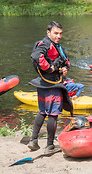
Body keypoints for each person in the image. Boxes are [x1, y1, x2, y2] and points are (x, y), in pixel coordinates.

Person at [28, 21, 73, 154]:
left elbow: (66, 61)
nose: (58, 36)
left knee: (42, 111)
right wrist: (50, 68)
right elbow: (36, 56)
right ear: (48, 33)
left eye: (60, 33)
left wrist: (65, 68)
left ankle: (33, 140)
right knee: (53, 115)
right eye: (55, 33)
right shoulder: (46, 44)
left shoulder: (56, 45)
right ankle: (49, 146)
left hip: (43, 84)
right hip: (52, 84)